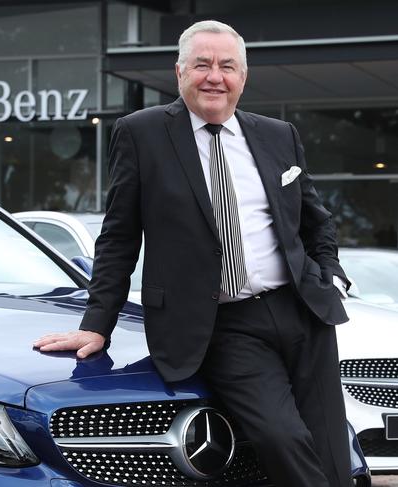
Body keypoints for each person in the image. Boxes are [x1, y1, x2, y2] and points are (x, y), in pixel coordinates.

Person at [34, 19, 352, 487]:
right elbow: (120, 236)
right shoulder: (141, 133)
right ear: (179, 71)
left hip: (303, 310)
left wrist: (331, 275)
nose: (214, 77)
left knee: (329, 444)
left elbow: (315, 219)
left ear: (243, 76)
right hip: (224, 324)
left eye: (227, 66)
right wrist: (95, 324)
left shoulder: (278, 134)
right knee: (282, 437)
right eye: (202, 64)